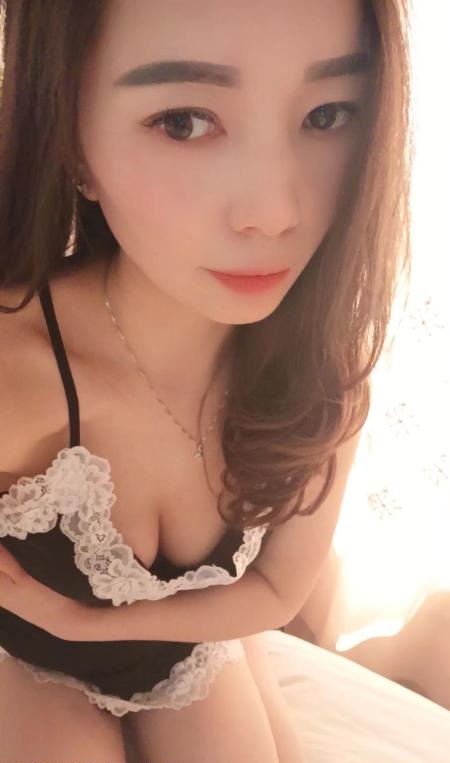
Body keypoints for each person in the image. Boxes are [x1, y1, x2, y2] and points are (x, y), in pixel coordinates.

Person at [0, 0, 412, 761]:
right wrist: (53, 627)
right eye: (184, 122)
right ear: (72, 141)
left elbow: (277, 591)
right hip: (22, 652)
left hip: (178, 652)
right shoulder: (20, 370)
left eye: (327, 115)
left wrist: (88, 621)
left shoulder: (322, 380)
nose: (274, 212)